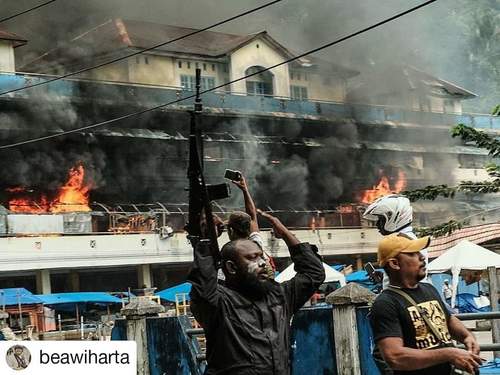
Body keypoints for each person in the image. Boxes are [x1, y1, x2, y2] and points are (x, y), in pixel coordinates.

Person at [189, 210, 325, 375]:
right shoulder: (220, 304)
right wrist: (206, 241)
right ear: (231, 268)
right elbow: (203, 288)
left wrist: (285, 234)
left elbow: (314, 273)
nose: (262, 263)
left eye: (261, 257)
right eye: (252, 258)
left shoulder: (280, 296)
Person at [369, 234, 482, 375]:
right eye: (413, 253)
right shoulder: (385, 304)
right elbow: (394, 356)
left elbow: (448, 319)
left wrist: (467, 337)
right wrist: (449, 354)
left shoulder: (429, 289)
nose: (421, 257)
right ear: (395, 264)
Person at [228, 173, 275, 277]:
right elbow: (252, 216)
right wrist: (245, 190)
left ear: (230, 230)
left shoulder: (230, 255)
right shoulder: (256, 243)